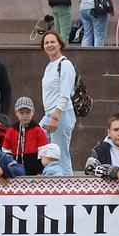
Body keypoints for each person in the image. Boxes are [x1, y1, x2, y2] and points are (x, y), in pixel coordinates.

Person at [0, 98, 69, 176]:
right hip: (14, 171)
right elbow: (6, 152)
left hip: (34, 173)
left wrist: (39, 171)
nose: (25, 116)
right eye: (21, 113)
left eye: (28, 112)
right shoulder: (11, 130)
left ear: (33, 112)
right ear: (16, 113)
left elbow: (43, 153)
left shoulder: (37, 130)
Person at [36, 28, 79, 158]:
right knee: (44, 148)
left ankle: (65, 178)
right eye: (46, 42)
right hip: (49, 114)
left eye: (52, 42)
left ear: (60, 44)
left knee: (61, 155)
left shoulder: (65, 64)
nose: (49, 45)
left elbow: (65, 94)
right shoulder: (50, 66)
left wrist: (55, 117)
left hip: (61, 114)